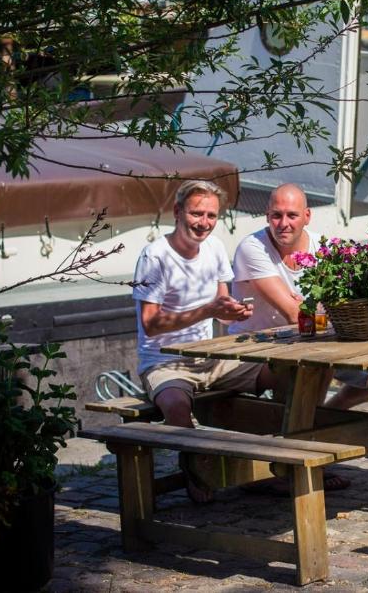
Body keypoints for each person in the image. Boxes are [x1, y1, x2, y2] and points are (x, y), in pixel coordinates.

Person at [132, 179, 279, 503]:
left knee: (283, 372)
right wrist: (206, 311)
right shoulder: (155, 256)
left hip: (209, 357)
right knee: (177, 408)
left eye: (211, 216)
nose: (204, 223)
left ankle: (281, 462)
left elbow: (221, 308)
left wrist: (234, 312)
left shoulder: (213, 248)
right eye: (197, 213)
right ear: (177, 212)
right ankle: (197, 471)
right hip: (163, 362)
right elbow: (151, 324)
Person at [230, 183, 368, 410]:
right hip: (258, 347)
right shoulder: (253, 248)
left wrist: (314, 308)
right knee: (316, 366)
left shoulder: (324, 248)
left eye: (292, 215)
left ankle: (326, 416)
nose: (284, 224)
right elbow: (294, 314)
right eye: (276, 216)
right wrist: (318, 307)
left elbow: (347, 305)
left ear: (307, 216)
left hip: (311, 340)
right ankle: (302, 428)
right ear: (267, 216)